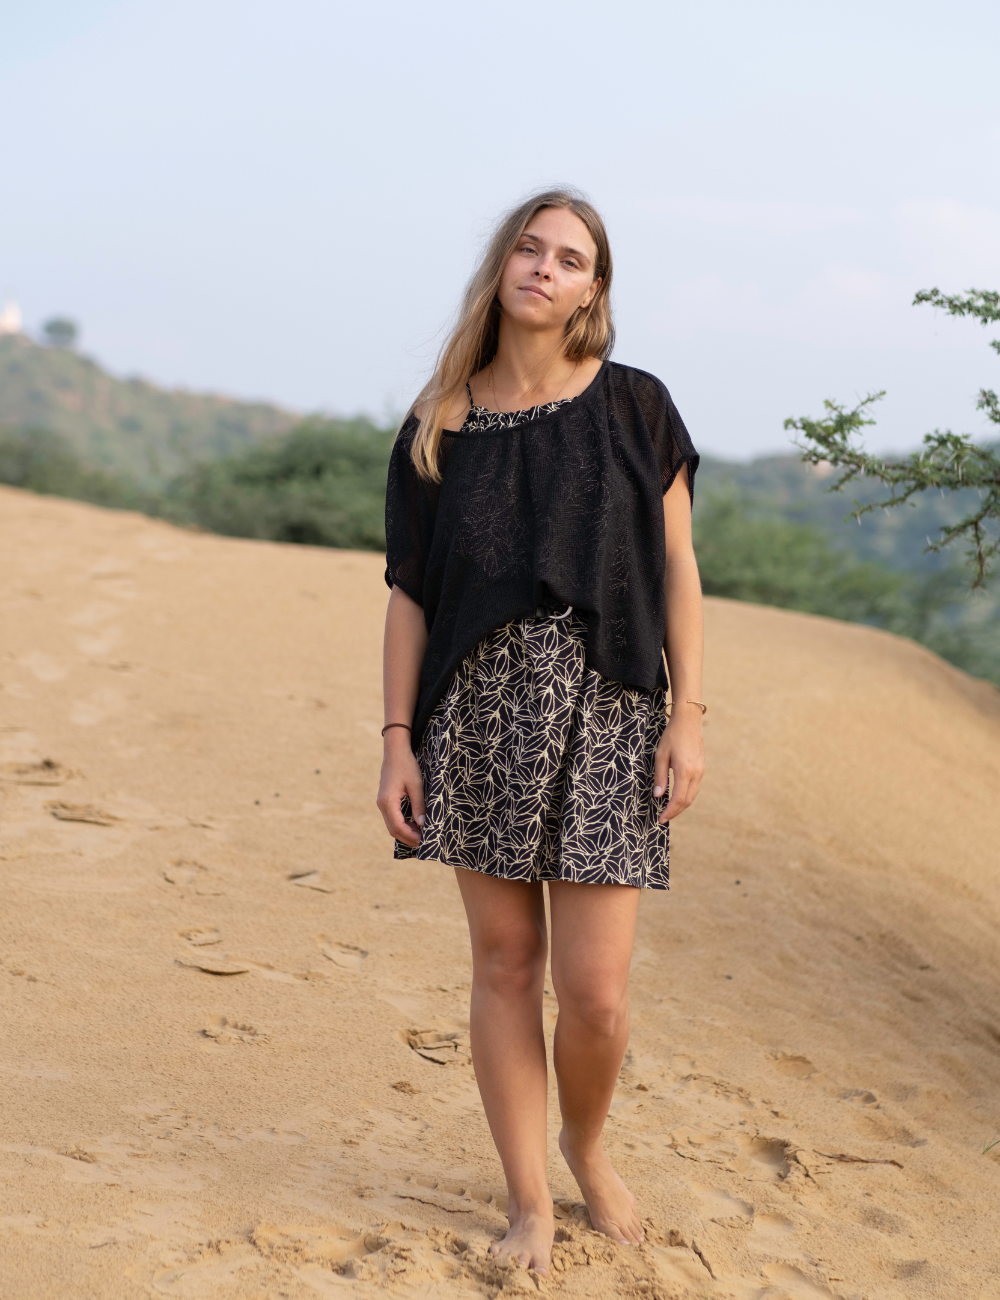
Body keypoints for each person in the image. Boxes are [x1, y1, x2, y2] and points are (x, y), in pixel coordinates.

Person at [377, 188, 704, 1277]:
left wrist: (686, 715)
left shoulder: (635, 407)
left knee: (598, 993)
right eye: (530, 247)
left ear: (592, 289)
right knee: (506, 962)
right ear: (502, 265)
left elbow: (676, 571)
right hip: (477, 715)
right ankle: (529, 1200)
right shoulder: (437, 426)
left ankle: (586, 1141)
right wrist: (395, 738)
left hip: (612, 709)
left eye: (570, 258)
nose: (545, 267)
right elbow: (410, 597)